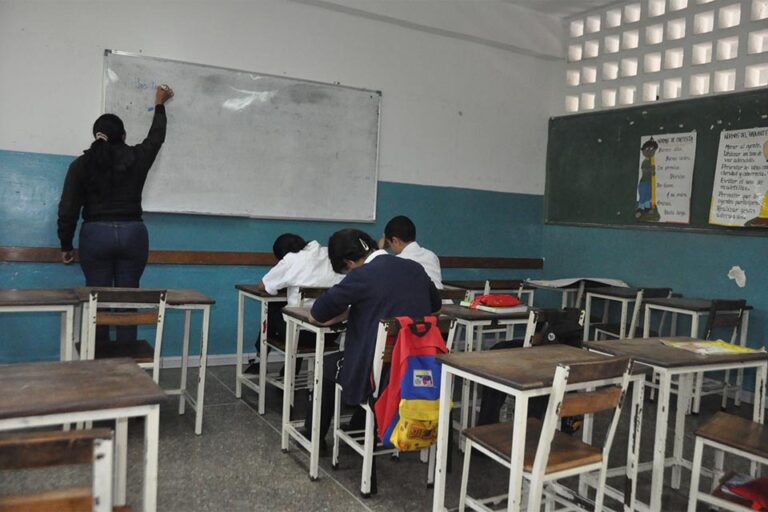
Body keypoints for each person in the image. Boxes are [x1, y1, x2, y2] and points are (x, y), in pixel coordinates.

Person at [57, 84, 174, 341]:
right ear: (123, 134)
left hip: (95, 236)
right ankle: (126, 366)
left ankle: (98, 363)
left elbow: (68, 209)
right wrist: (159, 105)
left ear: (96, 135)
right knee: (127, 301)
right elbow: (156, 138)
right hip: (133, 234)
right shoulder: (137, 157)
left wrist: (66, 245)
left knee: (96, 301)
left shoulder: (79, 165)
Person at [305, 228, 441, 444]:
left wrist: (349, 311)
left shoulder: (362, 275)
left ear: (349, 262)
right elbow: (435, 306)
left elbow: (318, 313)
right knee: (375, 358)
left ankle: (313, 436)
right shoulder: (415, 268)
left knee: (329, 364)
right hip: (416, 368)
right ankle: (361, 425)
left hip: (378, 375)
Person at [247, 234, 343, 375]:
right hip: (331, 332)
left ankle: (260, 360)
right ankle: (289, 370)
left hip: (301, 334)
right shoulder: (329, 254)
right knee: (299, 312)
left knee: (275, 309)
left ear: (282, 255)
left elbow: (263, 285)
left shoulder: (291, 259)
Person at [378, 215, 443, 289]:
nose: (391, 249)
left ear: (395, 241)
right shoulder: (432, 256)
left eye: (389, 244)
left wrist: (379, 249)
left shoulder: (398, 261)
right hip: (440, 299)